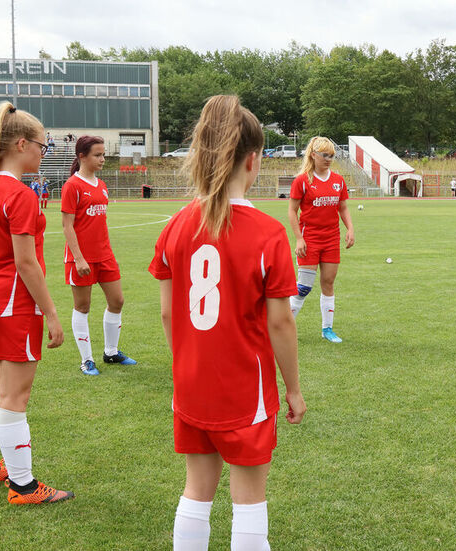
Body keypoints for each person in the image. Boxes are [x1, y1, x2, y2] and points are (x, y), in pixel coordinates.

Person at [148, 95, 306, 549]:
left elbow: (166, 312)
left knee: (196, 491)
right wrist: (292, 389)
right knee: (249, 499)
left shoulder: (176, 226)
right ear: (253, 161)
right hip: (244, 388)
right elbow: (281, 324)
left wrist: (186, 367)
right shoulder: (268, 233)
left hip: (192, 383)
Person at [0, 102, 71, 504]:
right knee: (14, 397)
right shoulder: (20, 195)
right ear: (20, 144)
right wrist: (50, 312)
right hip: (14, 304)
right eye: (41, 146)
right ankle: (24, 485)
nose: (42, 153)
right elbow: (26, 263)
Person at [61, 136, 136, 376]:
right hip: (80, 258)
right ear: (82, 156)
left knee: (117, 301)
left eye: (103, 154)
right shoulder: (72, 186)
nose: (102, 159)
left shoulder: (102, 185)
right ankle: (86, 360)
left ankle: (111, 352)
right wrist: (79, 257)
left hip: (104, 255)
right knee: (82, 307)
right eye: (97, 155)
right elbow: (67, 226)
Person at [287, 137, 355, 343]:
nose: (328, 159)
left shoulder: (338, 180)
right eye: (325, 155)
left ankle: (327, 329)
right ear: (313, 155)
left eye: (332, 156)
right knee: (303, 288)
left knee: (328, 282)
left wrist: (350, 228)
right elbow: (292, 210)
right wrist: (299, 239)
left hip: (331, 239)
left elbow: (342, 207)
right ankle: (283, 328)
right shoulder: (302, 181)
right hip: (310, 239)